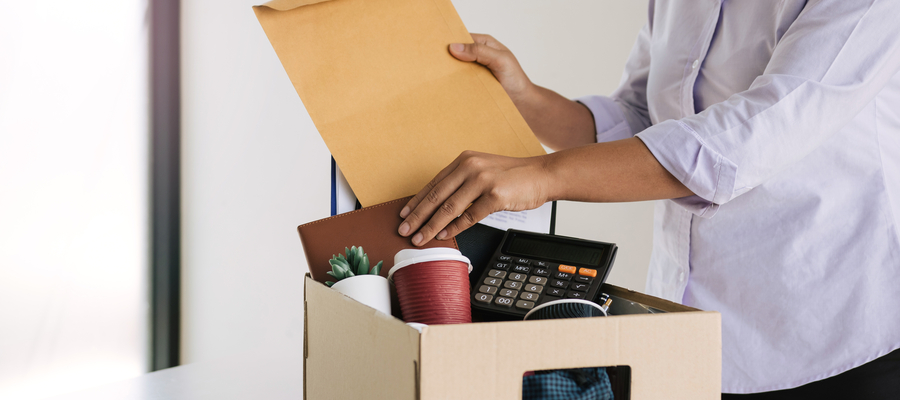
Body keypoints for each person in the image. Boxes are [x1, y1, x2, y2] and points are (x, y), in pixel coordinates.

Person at [397, 1, 900, 398]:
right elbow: (639, 119)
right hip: (692, 329)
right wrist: (522, 96)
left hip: (834, 327)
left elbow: (745, 141)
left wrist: (544, 176)